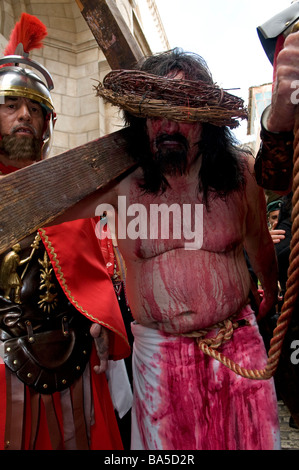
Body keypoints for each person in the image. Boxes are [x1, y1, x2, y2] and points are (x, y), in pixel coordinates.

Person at [60, 47, 281, 450]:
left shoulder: (239, 175)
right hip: (160, 357)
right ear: (139, 120)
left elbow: (261, 244)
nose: (167, 124)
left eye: (182, 109)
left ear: (206, 120)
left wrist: (269, 292)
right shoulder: (119, 185)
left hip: (238, 342)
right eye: (155, 111)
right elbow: (44, 214)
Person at [0, 13, 131, 450]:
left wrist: (101, 324)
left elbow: (93, 282)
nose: (25, 116)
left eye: (35, 108)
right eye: (11, 105)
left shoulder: (72, 197)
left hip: (72, 366)